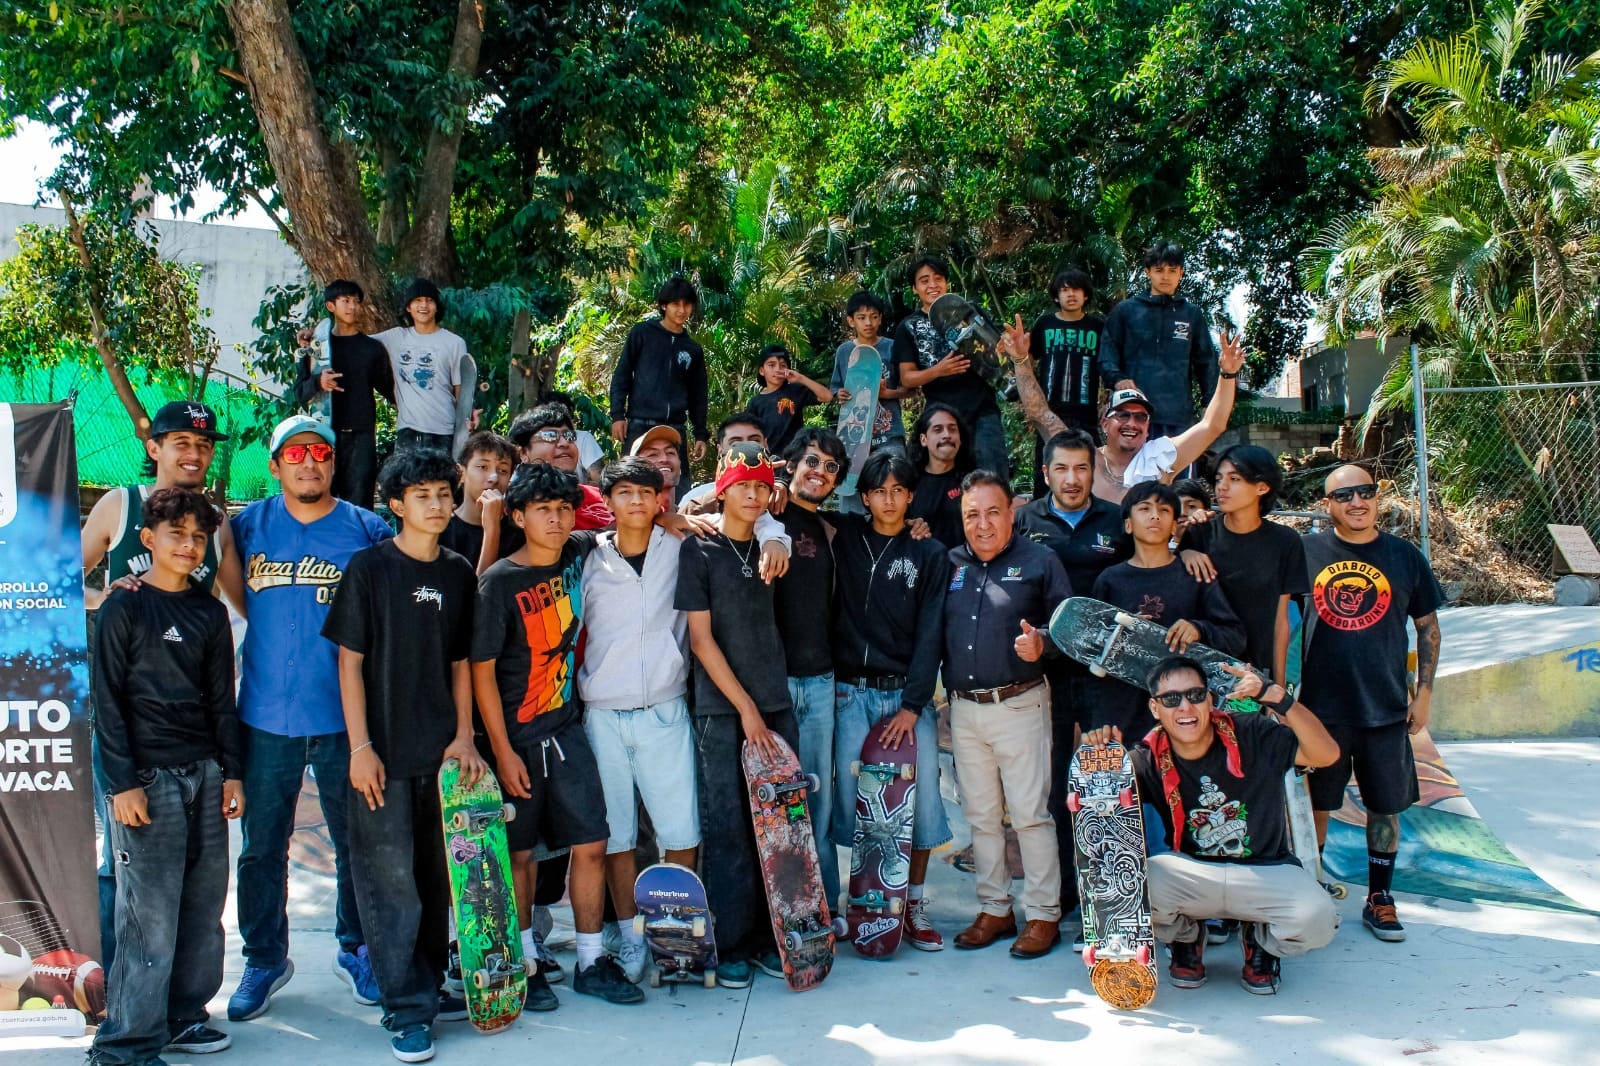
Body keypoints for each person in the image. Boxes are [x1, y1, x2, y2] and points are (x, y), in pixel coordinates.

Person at [227, 416, 393, 1022]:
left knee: (357, 844)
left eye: (320, 452)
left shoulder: (367, 529)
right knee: (260, 848)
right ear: (275, 466)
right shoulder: (244, 528)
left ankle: (357, 950)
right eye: (295, 453)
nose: (309, 462)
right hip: (266, 714)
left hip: (343, 717)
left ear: (332, 462)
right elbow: (221, 586)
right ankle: (265, 957)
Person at [322, 450, 481, 1063]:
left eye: (445, 493)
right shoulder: (368, 569)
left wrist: (464, 735)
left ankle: (426, 986)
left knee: (435, 882)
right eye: (423, 495)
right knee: (391, 888)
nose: (438, 505)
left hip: (440, 753)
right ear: (395, 504)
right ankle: (406, 1011)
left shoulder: (459, 571)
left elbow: (461, 662)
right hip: (380, 759)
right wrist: (360, 749)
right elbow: (349, 663)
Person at [471, 463, 645, 1008]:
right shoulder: (498, 582)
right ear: (517, 516)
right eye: (542, 509)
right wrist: (500, 751)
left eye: (563, 508)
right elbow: (480, 671)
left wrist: (684, 521)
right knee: (520, 855)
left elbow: (620, 526)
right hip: (516, 739)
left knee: (592, 842)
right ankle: (526, 964)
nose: (555, 517)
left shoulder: (577, 551)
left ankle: (592, 960)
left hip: (566, 730)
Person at [79, 399, 244, 969]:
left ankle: (174, 1001)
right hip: (127, 716)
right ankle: (110, 981)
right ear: (155, 448)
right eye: (181, 442)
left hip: (189, 728)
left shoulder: (213, 526)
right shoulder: (121, 504)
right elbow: (61, 583)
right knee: (118, 859)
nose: (193, 452)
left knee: (191, 877)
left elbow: (234, 603)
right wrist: (114, 601)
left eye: (203, 444)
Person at [90, 488, 244, 1065]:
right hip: (145, 782)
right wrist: (121, 783)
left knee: (203, 908)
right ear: (148, 540)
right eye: (175, 534)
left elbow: (220, 701)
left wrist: (232, 774)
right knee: (147, 915)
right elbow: (106, 701)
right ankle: (126, 1043)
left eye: (198, 537)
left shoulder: (208, 611)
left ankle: (184, 1017)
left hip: (204, 773)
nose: (187, 545)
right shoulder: (123, 606)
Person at [1082, 656, 1341, 995]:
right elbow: (1103, 831)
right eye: (1171, 699)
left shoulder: (1252, 732)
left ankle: (1260, 940)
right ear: (1155, 708)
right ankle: (1186, 939)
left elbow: (1326, 754)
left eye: (1195, 695)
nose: (1185, 707)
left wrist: (1277, 697)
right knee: (1131, 883)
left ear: (1210, 699)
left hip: (1264, 871)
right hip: (1194, 875)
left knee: (1318, 920)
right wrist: (1103, 761)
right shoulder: (1147, 757)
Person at [1300, 465, 1442, 943]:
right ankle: (1312, 888)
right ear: (1328, 505)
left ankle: (1380, 897)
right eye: (1343, 495)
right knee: (1319, 804)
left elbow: (1427, 627)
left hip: (1384, 707)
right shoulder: (1306, 552)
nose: (1356, 502)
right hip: (1321, 710)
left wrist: (1422, 694)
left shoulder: (1404, 557)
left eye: (1365, 492)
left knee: (1386, 806)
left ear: (1377, 497)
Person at [674, 443, 797, 987]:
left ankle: (776, 938)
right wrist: (745, 709)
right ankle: (732, 945)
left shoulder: (774, 547)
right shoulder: (698, 551)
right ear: (721, 489)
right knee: (727, 830)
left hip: (776, 703)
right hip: (722, 712)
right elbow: (700, 641)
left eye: (761, 485)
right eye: (741, 484)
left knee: (778, 828)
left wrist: (763, 707)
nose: (751, 493)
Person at [577, 458, 703, 984]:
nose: (634, 501)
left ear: (661, 500)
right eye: (623, 492)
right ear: (609, 501)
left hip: (664, 710)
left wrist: (773, 536)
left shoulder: (683, 548)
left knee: (681, 831)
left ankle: (674, 932)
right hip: (603, 713)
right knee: (618, 837)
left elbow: (750, 513)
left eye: (644, 493)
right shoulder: (585, 558)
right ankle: (630, 938)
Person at [826, 450, 952, 949]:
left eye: (899, 490)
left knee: (918, 805)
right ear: (865, 497)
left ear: (911, 495)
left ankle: (913, 904)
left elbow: (932, 632)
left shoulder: (928, 552)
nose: (890, 499)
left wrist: (913, 705)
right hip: (848, 694)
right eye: (880, 491)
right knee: (853, 803)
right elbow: (791, 505)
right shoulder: (845, 537)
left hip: (904, 697)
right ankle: (859, 903)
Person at [943, 472, 1071, 959]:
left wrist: (1042, 642)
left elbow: (1069, 629)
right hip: (966, 711)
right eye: (972, 515)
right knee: (979, 818)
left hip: (1020, 703)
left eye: (992, 512)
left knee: (1030, 816)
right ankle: (995, 909)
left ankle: (1042, 916)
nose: (982, 524)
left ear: (1011, 513)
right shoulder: (951, 563)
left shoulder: (1041, 561)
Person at [1012, 428, 1131, 940]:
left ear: (1093, 471)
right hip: (1045, 675)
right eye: (1061, 468)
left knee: (1105, 781)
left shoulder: (1116, 522)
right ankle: (1063, 893)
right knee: (1056, 785)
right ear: (1046, 474)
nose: (1072, 478)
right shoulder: (1025, 521)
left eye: (1082, 467)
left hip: (1106, 677)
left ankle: (1103, 893)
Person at [1008, 316, 1245, 505]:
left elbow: (1212, 425)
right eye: (1122, 415)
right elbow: (1040, 414)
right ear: (1104, 423)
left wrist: (1228, 375)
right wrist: (1020, 360)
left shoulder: (1158, 458)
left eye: (1140, 417)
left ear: (1147, 427)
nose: (1132, 423)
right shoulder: (1084, 457)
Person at [1089, 481, 1245, 739]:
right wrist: (1122, 634)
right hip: (1121, 715)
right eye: (1144, 508)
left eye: (1164, 510)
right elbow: (1088, 651)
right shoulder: (1110, 580)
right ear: (1128, 524)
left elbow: (1235, 636)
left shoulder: (1195, 574)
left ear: (1174, 525)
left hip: (1185, 716)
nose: (1154, 516)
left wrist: (1198, 629)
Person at [772, 428, 849, 902]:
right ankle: (783, 907)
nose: (819, 473)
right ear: (792, 466)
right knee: (775, 806)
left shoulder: (832, 529)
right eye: (812, 462)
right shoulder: (767, 512)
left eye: (829, 467)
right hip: (773, 684)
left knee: (816, 799)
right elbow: (704, 506)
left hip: (820, 682)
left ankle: (823, 905)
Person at [1180, 445, 1308, 684]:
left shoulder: (1285, 542)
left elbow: (1281, 620)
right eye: (1219, 479)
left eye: (1234, 479)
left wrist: (1278, 688)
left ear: (1262, 487)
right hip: (1203, 669)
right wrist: (1184, 553)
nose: (1222, 487)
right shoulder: (1200, 533)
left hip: (1254, 672)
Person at [894, 256, 1009, 478]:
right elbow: (907, 378)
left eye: (938, 279)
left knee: (993, 478)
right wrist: (939, 370)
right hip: (941, 416)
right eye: (924, 280)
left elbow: (997, 348)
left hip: (982, 409)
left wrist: (1006, 346)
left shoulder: (968, 310)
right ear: (915, 288)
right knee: (946, 482)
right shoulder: (908, 327)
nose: (932, 285)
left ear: (946, 282)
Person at [1098, 242, 1220, 439]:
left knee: (1175, 470)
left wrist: (1209, 405)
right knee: (1130, 471)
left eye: (1172, 270)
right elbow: (1106, 355)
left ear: (1181, 272)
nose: (1165, 276)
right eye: (1159, 270)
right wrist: (1118, 379)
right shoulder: (1126, 311)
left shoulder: (1191, 315)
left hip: (1178, 419)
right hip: (1132, 417)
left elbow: (1206, 363)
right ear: (1148, 272)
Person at [292, 279, 395, 509]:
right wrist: (319, 381)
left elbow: (392, 392)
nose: (352, 307)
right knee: (321, 500)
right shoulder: (318, 348)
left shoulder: (372, 349)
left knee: (360, 504)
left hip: (361, 438)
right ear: (331, 306)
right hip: (326, 435)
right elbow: (300, 393)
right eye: (345, 301)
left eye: (356, 302)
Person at [608, 276, 710, 472]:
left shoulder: (692, 349)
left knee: (677, 487)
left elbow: (698, 395)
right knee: (631, 480)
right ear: (664, 305)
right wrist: (617, 415)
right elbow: (622, 375)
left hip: (675, 429)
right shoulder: (642, 334)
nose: (682, 310)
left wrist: (700, 434)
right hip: (639, 424)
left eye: (687, 305)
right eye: (675, 304)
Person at [1026, 267, 1104, 494]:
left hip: (1085, 414)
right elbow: (1027, 359)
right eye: (1065, 290)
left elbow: (1108, 365)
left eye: (1076, 289)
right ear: (1056, 296)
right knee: (1046, 473)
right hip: (1049, 412)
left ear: (1086, 295)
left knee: (1093, 473)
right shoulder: (1045, 324)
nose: (1071, 295)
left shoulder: (1097, 327)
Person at [372, 279, 471, 455]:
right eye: (417, 300)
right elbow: (356, 344)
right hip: (408, 431)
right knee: (407, 482)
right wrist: (314, 337)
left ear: (437, 306)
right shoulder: (395, 338)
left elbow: (461, 391)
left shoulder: (454, 343)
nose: (424, 305)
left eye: (429, 300)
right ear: (408, 307)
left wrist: (464, 425)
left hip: (444, 431)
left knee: (442, 482)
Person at [509, 403, 614, 530]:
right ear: (524, 453)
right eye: (550, 436)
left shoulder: (602, 495)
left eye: (569, 436)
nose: (564, 443)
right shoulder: (516, 504)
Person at [830, 291, 909, 457]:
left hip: (890, 434)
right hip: (853, 437)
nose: (868, 323)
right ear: (851, 321)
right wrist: (839, 394)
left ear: (880, 318)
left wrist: (887, 394)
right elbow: (835, 387)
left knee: (892, 477)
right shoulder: (844, 352)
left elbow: (911, 389)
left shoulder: (892, 347)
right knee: (852, 481)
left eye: (873, 316)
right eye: (861, 317)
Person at [440, 431, 523, 574]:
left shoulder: (518, 534)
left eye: (503, 470)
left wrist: (493, 527)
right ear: (461, 473)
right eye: (483, 467)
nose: (494, 477)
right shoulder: (441, 529)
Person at [905, 403, 974, 549]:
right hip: (927, 568)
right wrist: (908, 526)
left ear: (960, 439)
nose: (946, 435)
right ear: (923, 439)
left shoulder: (976, 481)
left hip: (971, 567)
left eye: (952, 429)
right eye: (938, 430)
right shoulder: (908, 484)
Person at [748, 344, 832, 457]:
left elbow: (827, 396)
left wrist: (800, 378)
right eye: (771, 365)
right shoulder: (755, 402)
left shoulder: (795, 390)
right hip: (769, 459)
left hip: (796, 457)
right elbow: (751, 434)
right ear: (762, 370)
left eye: (782, 365)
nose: (778, 369)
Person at [676, 412, 768, 514]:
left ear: (766, 445)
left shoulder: (780, 494)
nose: (745, 449)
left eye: (754, 441)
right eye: (736, 444)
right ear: (720, 450)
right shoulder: (695, 496)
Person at [629, 425, 685, 511]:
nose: (664, 459)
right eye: (652, 454)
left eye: (670, 452)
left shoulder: (696, 519)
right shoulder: (625, 523)